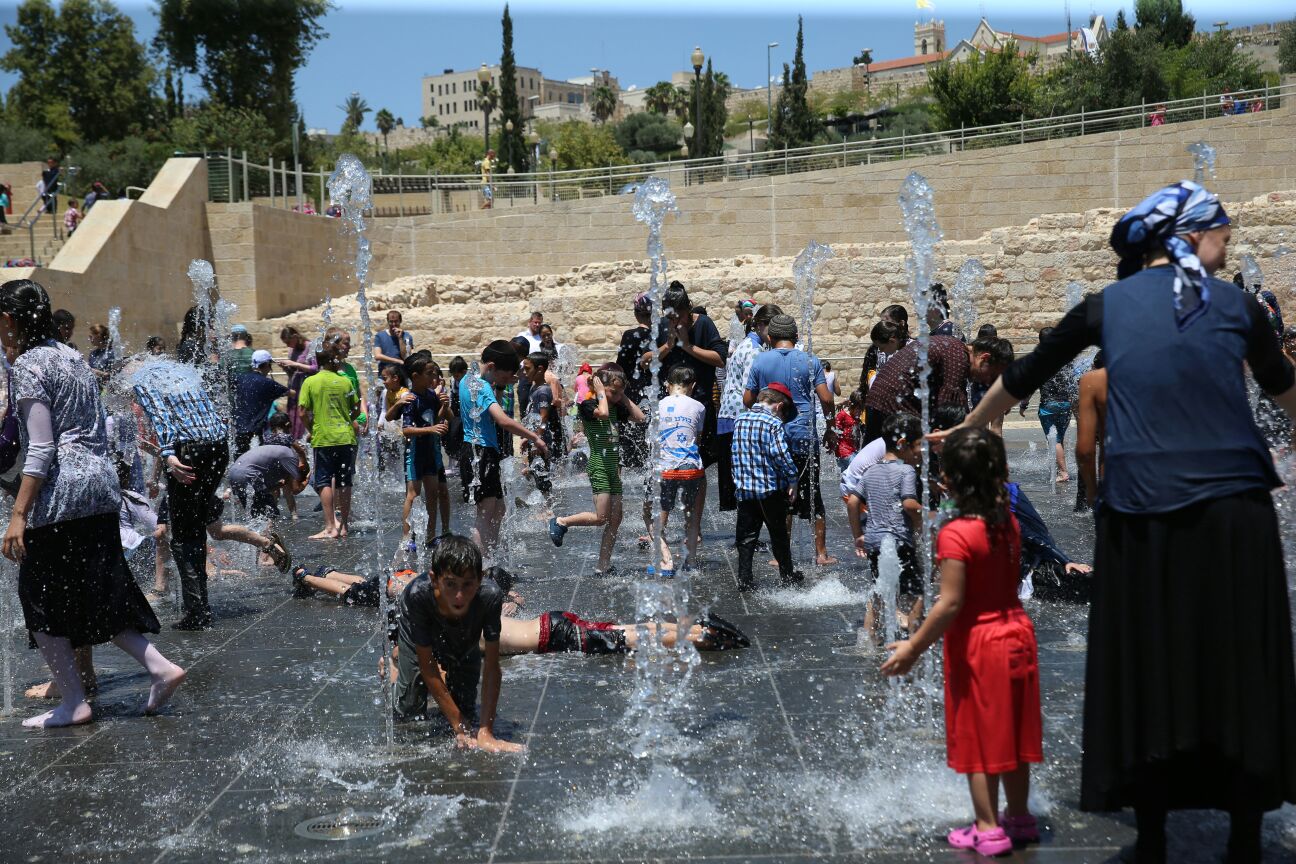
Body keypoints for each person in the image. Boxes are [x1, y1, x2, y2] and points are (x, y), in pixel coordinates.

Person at [944, 180, 1296, 863]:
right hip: (1234, 513)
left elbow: (1022, 377)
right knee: (1239, 662)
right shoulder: (1239, 306)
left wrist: (968, 426)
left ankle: (1154, 834)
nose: (1229, 247)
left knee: (1149, 664)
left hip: (1143, 512)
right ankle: (1247, 837)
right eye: (1222, 234)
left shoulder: (1108, 306)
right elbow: (1285, 391)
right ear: (1190, 236)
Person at [0, 279, 185, 728]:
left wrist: (18, 515)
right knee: (97, 589)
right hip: (100, 485)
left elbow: (42, 447)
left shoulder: (28, 363)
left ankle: (73, 702)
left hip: (61, 491)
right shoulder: (71, 355)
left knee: (37, 598)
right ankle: (160, 668)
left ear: (8, 320)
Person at [881, 427, 1042, 858]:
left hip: (980, 643)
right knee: (1013, 732)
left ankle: (987, 829)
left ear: (948, 480)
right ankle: (1020, 818)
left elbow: (950, 602)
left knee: (978, 737)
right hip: (1017, 633)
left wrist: (912, 647)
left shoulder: (956, 533)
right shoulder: (1006, 521)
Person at [132, 351, 233, 630]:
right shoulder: (182, 376)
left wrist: (168, 454)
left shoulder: (144, 379)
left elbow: (161, 416)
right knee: (195, 526)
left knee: (184, 535)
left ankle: (197, 612)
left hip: (187, 451)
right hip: (217, 448)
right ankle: (200, 604)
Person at [391, 535, 521, 750]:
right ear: (434, 579)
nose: (459, 595)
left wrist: (486, 732)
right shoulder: (418, 595)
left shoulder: (489, 597)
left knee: (465, 706)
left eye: (468, 584)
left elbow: (492, 666)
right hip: (419, 622)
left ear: (480, 579)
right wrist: (460, 727)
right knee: (408, 711)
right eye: (450, 584)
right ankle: (395, 667)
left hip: (462, 627)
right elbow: (428, 666)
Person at [743, 314, 837, 567]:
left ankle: (780, 555)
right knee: (813, 493)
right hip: (804, 436)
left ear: (770, 337)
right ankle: (821, 554)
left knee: (779, 496)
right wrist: (830, 428)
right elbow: (827, 399)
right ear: (795, 337)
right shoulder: (810, 360)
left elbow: (748, 400)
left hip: (773, 437)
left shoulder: (761, 361)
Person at [548, 366, 646, 577]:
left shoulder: (615, 405)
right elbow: (603, 413)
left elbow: (640, 418)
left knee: (616, 519)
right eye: (614, 392)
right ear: (599, 387)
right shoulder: (588, 405)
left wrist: (622, 396)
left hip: (613, 469)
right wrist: (601, 392)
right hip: (599, 466)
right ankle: (561, 521)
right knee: (601, 517)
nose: (617, 397)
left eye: (620, 393)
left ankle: (603, 566)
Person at [461, 340, 548, 556]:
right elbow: (502, 420)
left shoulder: (468, 379)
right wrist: (534, 437)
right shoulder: (482, 387)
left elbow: (493, 407)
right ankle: (481, 565)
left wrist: (500, 385)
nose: (505, 381)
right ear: (491, 366)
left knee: (499, 509)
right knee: (485, 514)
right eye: (503, 376)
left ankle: (492, 556)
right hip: (482, 453)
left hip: (476, 450)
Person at [862, 333, 1013, 444]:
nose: (988, 382)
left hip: (879, 400)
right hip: (892, 403)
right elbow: (948, 411)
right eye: (992, 375)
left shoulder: (954, 348)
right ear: (984, 358)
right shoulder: (959, 357)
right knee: (923, 457)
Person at [657, 281, 727, 512]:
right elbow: (646, 361)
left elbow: (720, 359)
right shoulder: (663, 326)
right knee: (666, 465)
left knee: (699, 464)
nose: (675, 321)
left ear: (688, 308)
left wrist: (688, 346)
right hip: (670, 410)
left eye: (679, 316)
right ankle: (661, 524)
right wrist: (668, 346)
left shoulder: (703, 323)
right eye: (670, 317)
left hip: (699, 408)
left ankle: (694, 522)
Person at [855, 413, 924, 641]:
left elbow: (853, 502)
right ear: (903, 444)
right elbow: (909, 504)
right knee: (916, 593)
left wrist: (858, 535)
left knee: (879, 590)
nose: (920, 451)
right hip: (899, 540)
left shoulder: (870, 470)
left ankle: (870, 639)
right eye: (918, 445)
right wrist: (926, 517)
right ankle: (914, 641)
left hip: (874, 541)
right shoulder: (906, 471)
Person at [732, 384, 802, 590]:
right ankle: (787, 576)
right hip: (769, 489)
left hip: (745, 489)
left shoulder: (740, 419)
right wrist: (793, 478)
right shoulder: (773, 423)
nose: (783, 418)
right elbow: (780, 455)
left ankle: (744, 579)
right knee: (778, 534)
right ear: (779, 406)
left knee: (746, 537)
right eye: (784, 413)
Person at [717, 303, 780, 513]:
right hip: (739, 419)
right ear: (760, 325)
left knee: (738, 483)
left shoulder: (747, 344)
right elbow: (749, 393)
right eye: (772, 327)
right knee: (746, 484)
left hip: (728, 416)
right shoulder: (754, 351)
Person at [298, 342, 359, 540]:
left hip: (323, 438)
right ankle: (345, 526)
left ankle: (331, 527)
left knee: (324, 481)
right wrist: (345, 419)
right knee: (344, 481)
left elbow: (302, 412)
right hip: (346, 437)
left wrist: (312, 429)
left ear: (318, 361)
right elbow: (356, 409)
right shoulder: (345, 382)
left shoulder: (310, 382)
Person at [651, 365, 706, 575]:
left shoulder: (657, 405)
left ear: (668, 385)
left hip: (666, 469)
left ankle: (665, 562)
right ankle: (690, 562)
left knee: (659, 518)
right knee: (691, 516)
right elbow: (697, 440)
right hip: (691, 470)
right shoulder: (699, 406)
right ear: (692, 385)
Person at [399, 352, 451, 543]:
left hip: (431, 452)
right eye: (429, 374)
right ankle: (407, 538)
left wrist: (444, 407)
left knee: (433, 494)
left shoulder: (431, 395)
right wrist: (431, 429)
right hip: (415, 454)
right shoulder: (410, 399)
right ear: (415, 377)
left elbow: (435, 419)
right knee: (413, 495)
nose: (433, 377)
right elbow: (406, 430)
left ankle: (430, 535)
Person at [1017, 327, 1073, 483]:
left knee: (1054, 440)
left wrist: (1023, 405)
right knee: (1059, 438)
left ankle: (1063, 472)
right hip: (1065, 405)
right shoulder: (1066, 359)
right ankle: (1060, 468)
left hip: (1048, 406)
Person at [614, 297, 652, 474]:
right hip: (653, 394)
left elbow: (620, 367)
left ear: (636, 314)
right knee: (650, 443)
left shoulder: (629, 335)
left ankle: (619, 486)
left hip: (631, 395)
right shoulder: (659, 336)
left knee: (625, 443)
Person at [228, 442, 308, 519]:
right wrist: (307, 478)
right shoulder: (291, 457)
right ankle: (268, 528)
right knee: (270, 513)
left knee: (253, 515)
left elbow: (267, 489)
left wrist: (280, 485)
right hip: (249, 474)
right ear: (301, 466)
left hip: (233, 473)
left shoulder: (275, 459)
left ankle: (259, 528)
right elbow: (295, 489)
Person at [232, 349, 290, 455]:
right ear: (267, 364)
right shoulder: (269, 383)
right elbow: (292, 393)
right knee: (259, 457)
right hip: (257, 430)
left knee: (240, 458)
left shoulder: (240, 379)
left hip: (239, 428)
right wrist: (288, 372)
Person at [1074, 350, 1107, 512]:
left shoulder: (1089, 382)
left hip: (1093, 431)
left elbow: (1085, 451)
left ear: (1094, 365)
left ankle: (1082, 504)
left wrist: (1092, 491)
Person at [857, 305, 910, 393]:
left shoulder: (912, 349)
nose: (882, 325)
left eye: (886, 322)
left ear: (901, 323)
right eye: (881, 322)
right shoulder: (877, 348)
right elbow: (868, 372)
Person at [277, 325, 317, 440]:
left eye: (288, 342)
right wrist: (285, 367)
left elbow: (315, 368)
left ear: (295, 337)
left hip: (307, 389)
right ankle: (296, 444)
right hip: (295, 391)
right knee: (293, 420)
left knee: (305, 416)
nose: (287, 345)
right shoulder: (292, 350)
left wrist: (295, 364)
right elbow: (292, 373)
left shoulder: (310, 347)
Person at [374, 309, 415, 374]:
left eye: (396, 321)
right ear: (388, 322)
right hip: (385, 374)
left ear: (400, 321)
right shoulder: (380, 336)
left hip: (402, 373)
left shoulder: (407, 336)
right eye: (391, 322)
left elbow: (406, 355)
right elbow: (377, 356)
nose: (393, 324)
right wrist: (397, 361)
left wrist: (400, 338)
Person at [832, 389, 864, 472]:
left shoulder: (856, 417)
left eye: (861, 409)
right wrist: (832, 444)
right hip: (843, 451)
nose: (859, 412)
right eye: (857, 409)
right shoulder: (842, 415)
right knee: (857, 469)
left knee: (849, 474)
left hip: (853, 450)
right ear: (850, 404)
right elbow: (834, 430)